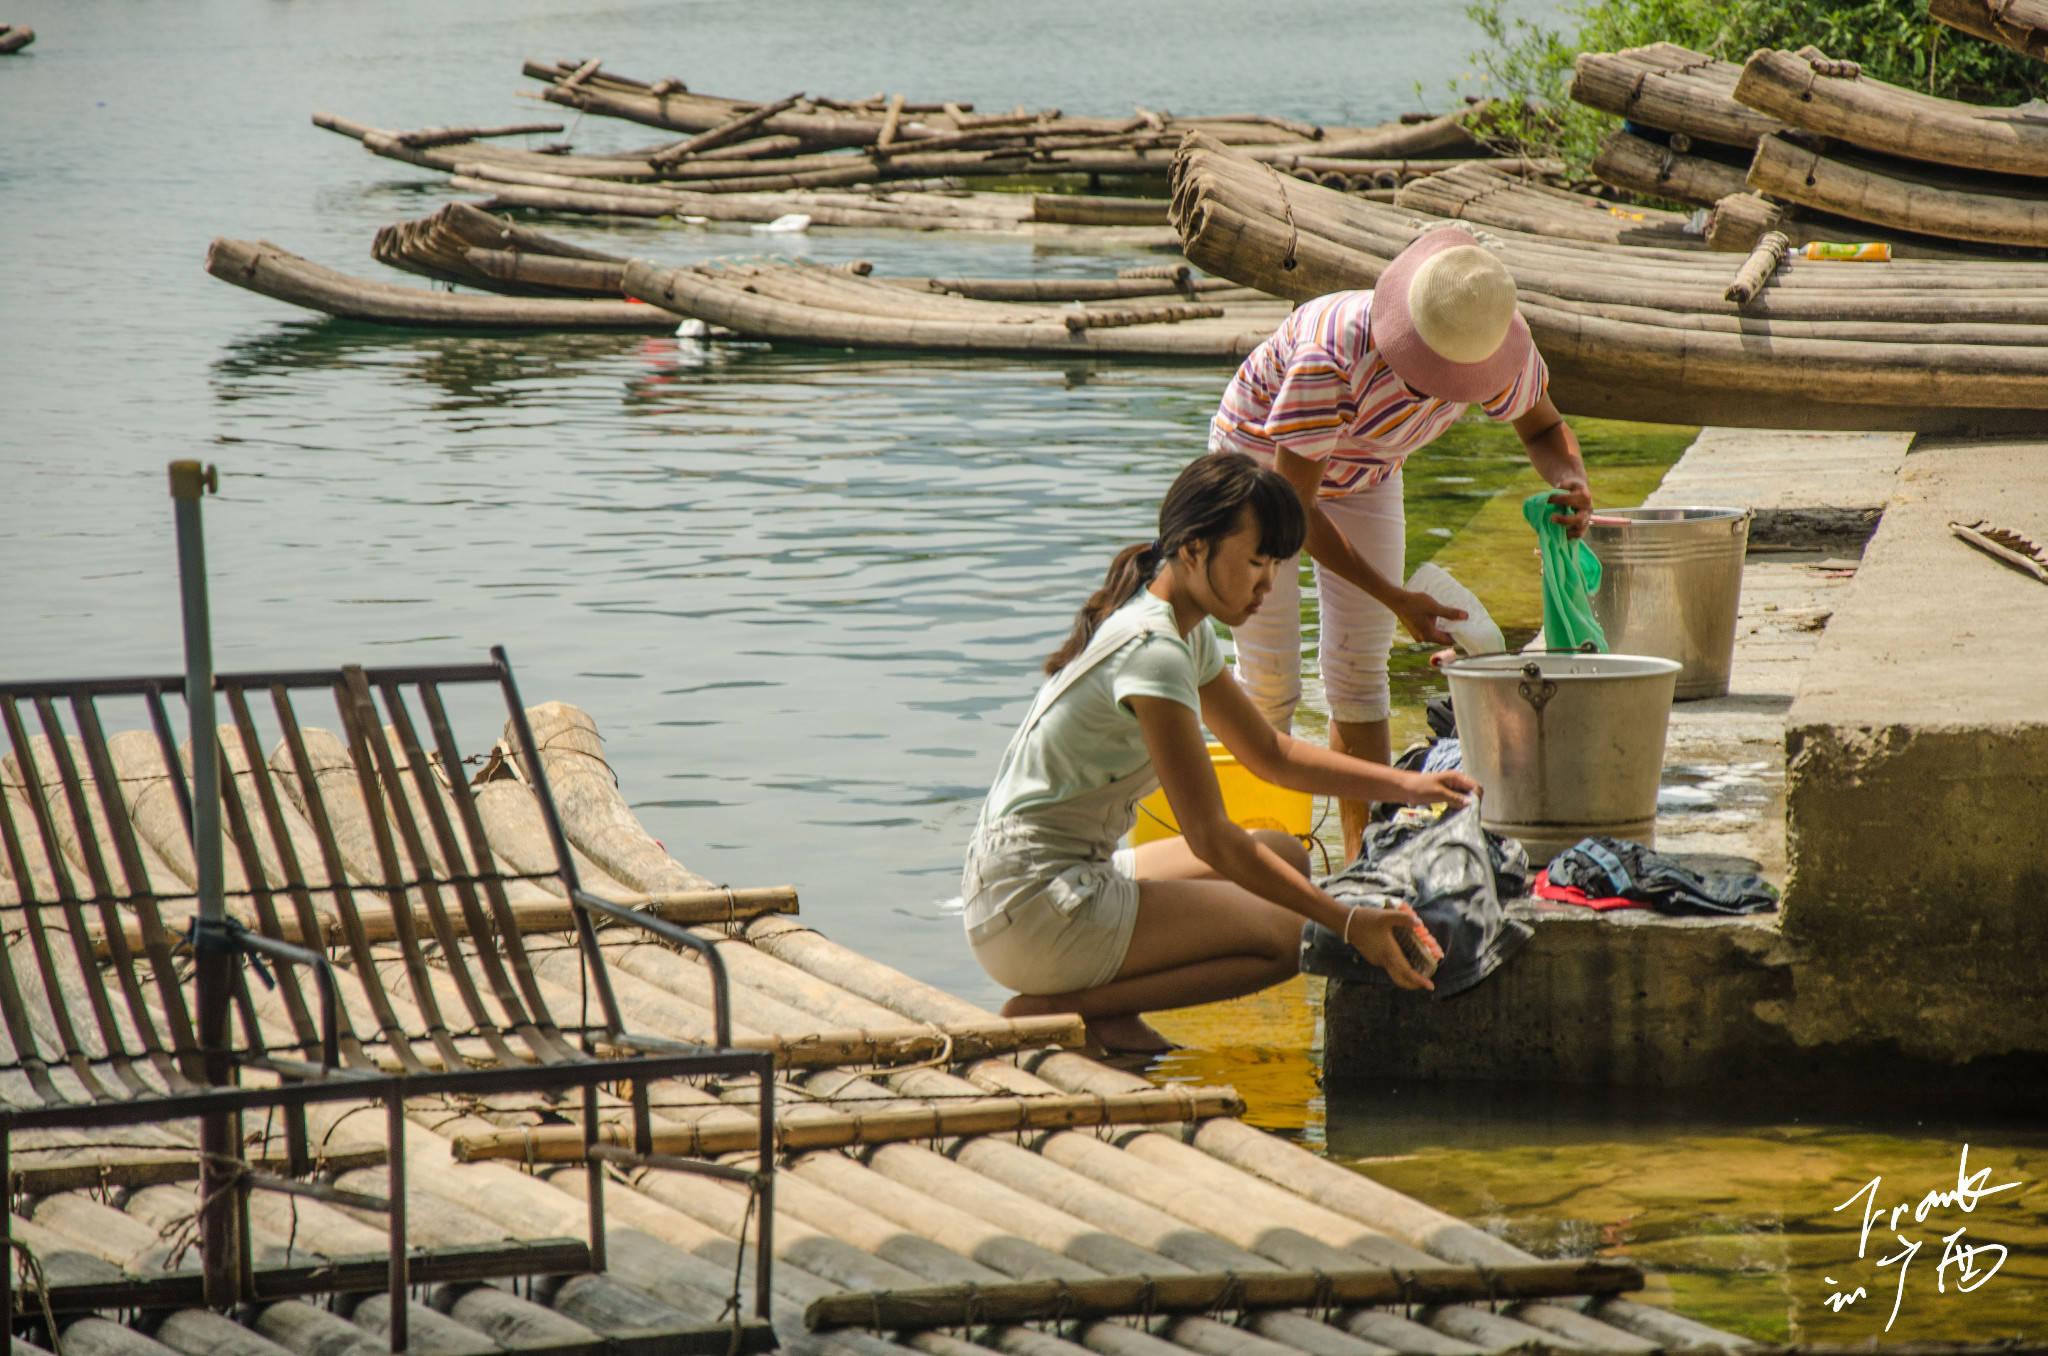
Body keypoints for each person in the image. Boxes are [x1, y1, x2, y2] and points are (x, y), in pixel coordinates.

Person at [962, 454, 1476, 1056]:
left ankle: (1107, 1015)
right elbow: (1211, 837)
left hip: (1036, 877)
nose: (1267, 584)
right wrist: (1346, 921)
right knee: (1295, 938)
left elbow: (1271, 754)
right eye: (1256, 561)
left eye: (1278, 565)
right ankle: (1056, 1009)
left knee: (1285, 854)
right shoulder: (1154, 651)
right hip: (1032, 907)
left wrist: (1410, 786)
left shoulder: (1182, 626)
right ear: (1193, 549)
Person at [1210, 225, 1594, 856]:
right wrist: (1394, 595)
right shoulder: (1329, 360)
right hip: (1257, 472)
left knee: (1360, 669)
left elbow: (1544, 430)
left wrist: (1570, 479)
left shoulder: (1490, 335)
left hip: (1366, 470)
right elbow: (1294, 510)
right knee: (1271, 678)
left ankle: (1364, 855)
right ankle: (1259, 855)